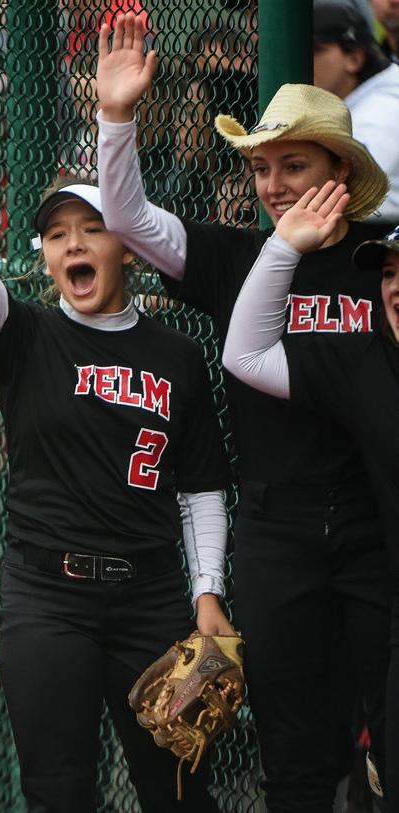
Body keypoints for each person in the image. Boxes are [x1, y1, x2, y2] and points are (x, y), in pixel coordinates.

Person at [96, 12, 393, 810]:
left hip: (377, 527)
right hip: (277, 529)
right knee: (296, 756)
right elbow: (126, 219)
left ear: (339, 167)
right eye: (261, 168)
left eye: (293, 164)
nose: (272, 185)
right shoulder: (235, 254)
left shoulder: (382, 260)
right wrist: (117, 117)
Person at [0, 100, 235, 812]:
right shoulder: (26, 336)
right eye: (57, 235)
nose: (72, 245)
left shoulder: (178, 356)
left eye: (91, 229)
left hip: (150, 599)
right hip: (46, 598)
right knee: (58, 788)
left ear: (125, 244)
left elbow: (202, 488)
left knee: (178, 787)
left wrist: (206, 593)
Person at [221, 185, 399, 804]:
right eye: (390, 274)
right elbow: (245, 354)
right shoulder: (365, 365)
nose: (396, 288)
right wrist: (281, 247)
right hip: (321, 547)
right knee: (320, 764)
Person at [313, 0, 399, 222]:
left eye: (315, 50)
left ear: (354, 58)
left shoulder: (382, 108)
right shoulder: (370, 96)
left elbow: (353, 194)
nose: (303, 60)